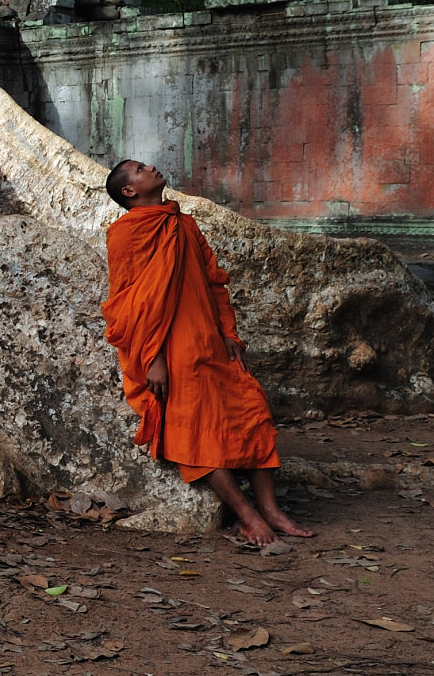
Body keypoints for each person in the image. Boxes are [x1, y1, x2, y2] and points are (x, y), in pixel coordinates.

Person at [100, 160, 313, 546]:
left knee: (254, 415)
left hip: (211, 342)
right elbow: (129, 304)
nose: (150, 167)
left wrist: (229, 333)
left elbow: (214, 281)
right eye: (138, 168)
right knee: (193, 436)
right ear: (129, 191)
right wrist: (154, 360)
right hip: (171, 350)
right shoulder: (125, 234)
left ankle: (272, 510)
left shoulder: (183, 224)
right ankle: (248, 517)